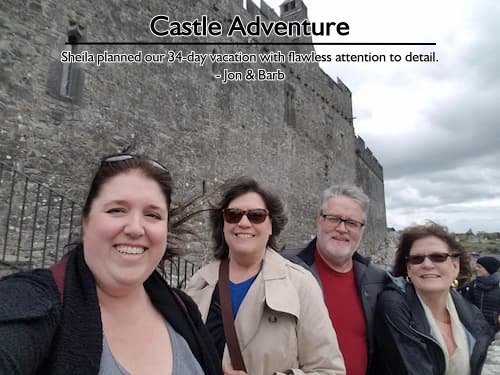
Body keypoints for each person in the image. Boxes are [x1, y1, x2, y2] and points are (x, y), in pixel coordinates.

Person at [0, 153, 222, 375]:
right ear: (86, 221)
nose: (135, 228)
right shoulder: (34, 300)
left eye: (152, 215)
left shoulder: (183, 309)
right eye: (116, 210)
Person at [186, 176, 346, 375]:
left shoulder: (300, 285)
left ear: (271, 225)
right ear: (223, 224)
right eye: (233, 215)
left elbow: (329, 371)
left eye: (256, 216)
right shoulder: (200, 283)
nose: (243, 223)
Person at [282, 185, 388, 375]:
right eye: (333, 219)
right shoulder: (283, 268)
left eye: (352, 223)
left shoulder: (377, 281)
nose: (341, 229)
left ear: (361, 229)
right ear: (319, 221)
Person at [375, 223, 493, 375]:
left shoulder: (469, 311)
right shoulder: (394, 306)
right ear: (409, 269)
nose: (427, 264)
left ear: (455, 266)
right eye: (417, 259)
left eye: (438, 257)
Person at [460, 256, 500, 332]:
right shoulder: (474, 284)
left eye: (479, 267)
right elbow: (467, 303)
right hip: (477, 327)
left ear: (488, 269)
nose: (476, 269)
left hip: (496, 328)